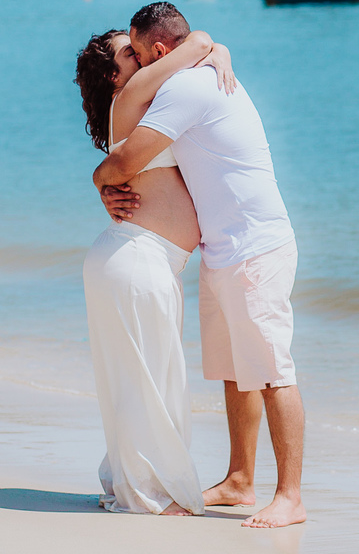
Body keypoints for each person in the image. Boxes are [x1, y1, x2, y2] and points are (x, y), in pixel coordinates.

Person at [94, 1, 305, 529]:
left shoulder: (185, 88)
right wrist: (209, 42)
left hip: (255, 247)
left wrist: (101, 182)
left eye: (139, 54)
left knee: (273, 371)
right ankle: (239, 481)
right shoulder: (190, 74)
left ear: (160, 51)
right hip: (222, 247)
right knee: (236, 372)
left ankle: (291, 497)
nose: (140, 66)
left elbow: (123, 162)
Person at [75, 26, 236, 517]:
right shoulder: (132, 97)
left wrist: (217, 48)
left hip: (140, 261)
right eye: (130, 52)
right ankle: (154, 497)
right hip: (137, 260)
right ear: (112, 74)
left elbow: (195, 46)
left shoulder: (143, 103)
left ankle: (133, 487)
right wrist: (210, 46)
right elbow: (191, 45)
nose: (144, 57)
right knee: (149, 385)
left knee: (145, 382)